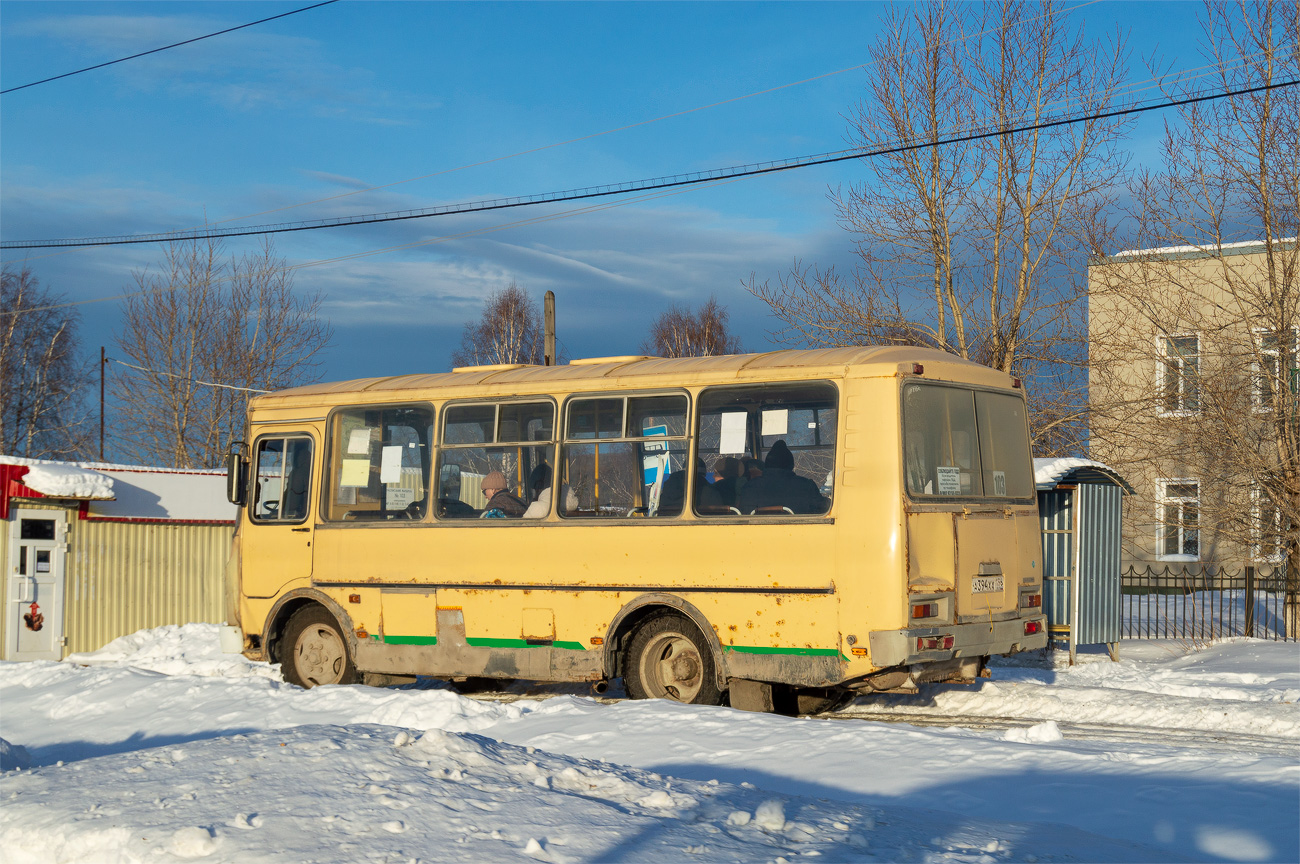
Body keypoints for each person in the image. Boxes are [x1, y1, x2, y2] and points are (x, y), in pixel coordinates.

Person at [737, 440, 829, 515]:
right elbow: (824, 509)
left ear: (767, 466)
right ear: (791, 465)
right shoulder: (806, 486)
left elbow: (744, 513)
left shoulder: (749, 488)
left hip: (755, 536)